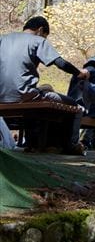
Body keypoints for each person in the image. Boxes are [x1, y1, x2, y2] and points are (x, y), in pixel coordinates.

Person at [0, 16, 88, 154]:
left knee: (42, 94)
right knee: (74, 107)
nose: (45, 39)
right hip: (24, 95)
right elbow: (60, 63)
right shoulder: (38, 41)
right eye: (45, 36)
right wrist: (79, 73)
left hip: (1, 96)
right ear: (41, 30)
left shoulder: (3, 39)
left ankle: (33, 144)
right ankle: (71, 147)